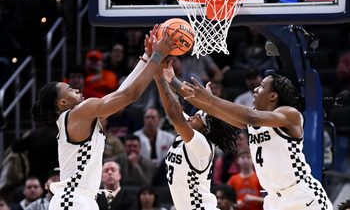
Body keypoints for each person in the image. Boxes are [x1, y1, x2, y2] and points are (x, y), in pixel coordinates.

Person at [30, 25, 179, 210]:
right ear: (61, 103)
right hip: (73, 199)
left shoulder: (80, 116)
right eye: (69, 89)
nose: (76, 88)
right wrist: (157, 56)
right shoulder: (79, 112)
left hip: (80, 199)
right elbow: (129, 96)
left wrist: (147, 57)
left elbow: (121, 93)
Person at [169, 70, 333, 210]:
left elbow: (250, 116)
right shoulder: (250, 120)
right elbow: (209, 107)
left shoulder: (289, 114)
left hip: (301, 194)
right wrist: (171, 79)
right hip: (273, 200)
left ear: (273, 96)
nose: (255, 89)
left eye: (261, 87)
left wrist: (211, 99)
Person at [153, 59, 240, 210]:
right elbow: (176, 107)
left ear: (205, 129)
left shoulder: (202, 145)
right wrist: (169, 78)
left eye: (197, 117)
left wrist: (159, 77)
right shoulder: (191, 130)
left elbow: (175, 115)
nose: (191, 117)